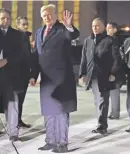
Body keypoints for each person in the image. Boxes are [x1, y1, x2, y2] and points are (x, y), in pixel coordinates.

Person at [29, 4, 79, 153]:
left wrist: (70, 26)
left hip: (62, 79)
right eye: (44, 15)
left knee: (62, 112)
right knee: (49, 111)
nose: (47, 17)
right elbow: (37, 56)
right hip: (46, 79)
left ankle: (62, 143)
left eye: (49, 14)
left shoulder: (62, 29)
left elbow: (72, 35)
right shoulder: (39, 32)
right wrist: (33, 75)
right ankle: (50, 141)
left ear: (55, 15)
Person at [0, 8, 26, 142]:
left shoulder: (17, 35)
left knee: (12, 105)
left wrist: (6, 61)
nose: (6, 20)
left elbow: (21, 55)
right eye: (2, 18)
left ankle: (13, 133)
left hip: (11, 76)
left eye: (8, 18)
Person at [79, 18, 121, 134]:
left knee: (103, 99)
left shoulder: (110, 41)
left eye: (97, 25)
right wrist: (83, 73)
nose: (95, 28)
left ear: (103, 27)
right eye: (93, 26)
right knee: (98, 100)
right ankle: (100, 123)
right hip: (92, 75)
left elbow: (116, 59)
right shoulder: (88, 40)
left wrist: (113, 73)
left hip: (105, 75)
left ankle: (102, 126)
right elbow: (84, 58)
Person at [106, 22, 125, 120]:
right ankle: (113, 112)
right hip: (113, 72)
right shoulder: (111, 41)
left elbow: (117, 59)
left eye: (109, 28)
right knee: (112, 93)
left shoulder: (115, 42)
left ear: (114, 30)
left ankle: (115, 113)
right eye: (107, 28)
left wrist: (113, 72)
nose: (107, 30)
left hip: (116, 73)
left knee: (114, 93)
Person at [16, 16, 32, 128]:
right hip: (17, 73)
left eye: (26, 24)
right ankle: (14, 122)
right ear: (18, 25)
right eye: (23, 24)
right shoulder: (15, 37)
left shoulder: (26, 37)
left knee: (21, 99)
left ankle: (18, 120)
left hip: (25, 73)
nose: (25, 26)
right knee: (16, 99)